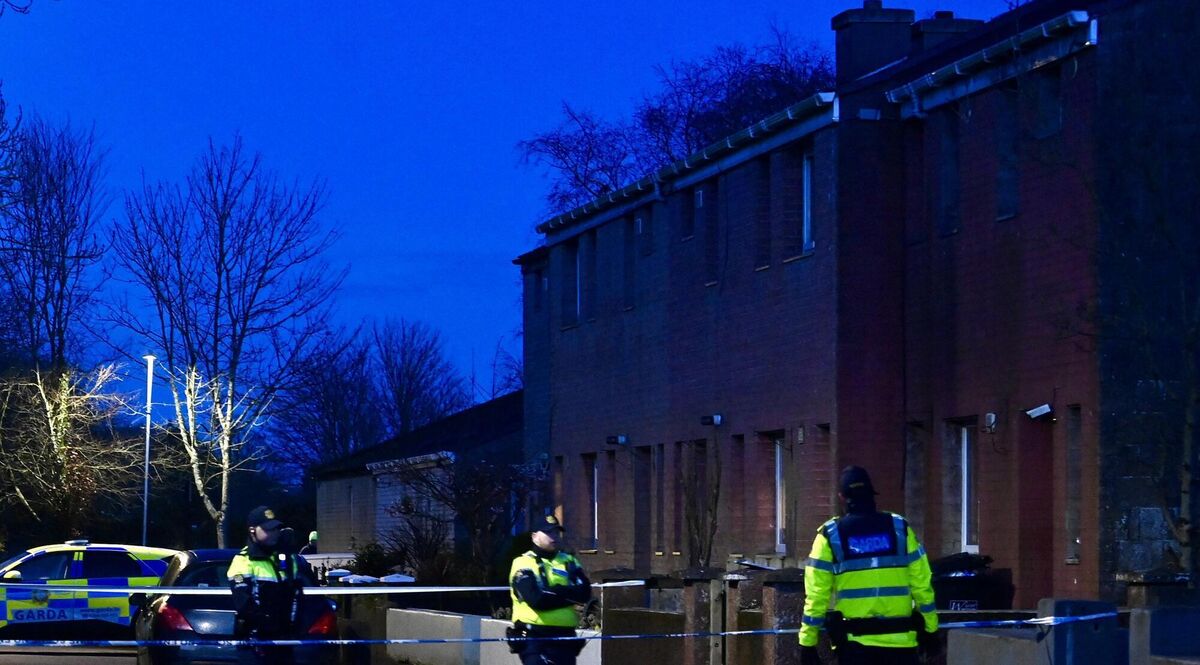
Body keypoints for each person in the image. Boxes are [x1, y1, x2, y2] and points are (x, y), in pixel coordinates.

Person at [799, 466, 939, 665]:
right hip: (902, 646)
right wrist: (931, 629)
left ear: (841, 496)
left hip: (856, 648)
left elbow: (816, 596)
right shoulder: (900, 528)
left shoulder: (830, 536)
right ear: (872, 493)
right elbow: (922, 586)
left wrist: (807, 643)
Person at [508, 513, 592, 665]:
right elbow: (536, 599)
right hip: (535, 637)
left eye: (555, 532)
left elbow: (585, 593)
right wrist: (567, 592)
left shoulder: (569, 561)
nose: (553, 536)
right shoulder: (522, 563)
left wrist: (553, 592)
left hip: (565, 639)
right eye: (547, 532)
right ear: (534, 536)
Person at [228, 505, 304, 665]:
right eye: (268, 529)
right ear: (252, 530)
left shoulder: (287, 559)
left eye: (276, 528)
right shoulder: (243, 561)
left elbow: (297, 596)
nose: (274, 532)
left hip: (285, 642)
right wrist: (269, 627)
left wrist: (292, 627)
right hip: (255, 643)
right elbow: (244, 605)